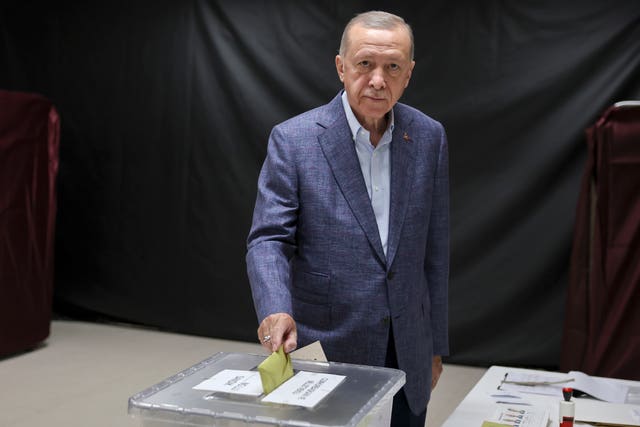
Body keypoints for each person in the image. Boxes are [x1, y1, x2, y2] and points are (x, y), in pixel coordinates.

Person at [246, 10, 449, 426]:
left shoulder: (429, 137)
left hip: (408, 348)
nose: (378, 79)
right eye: (364, 64)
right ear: (341, 67)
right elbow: (269, 239)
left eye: (392, 66)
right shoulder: (295, 140)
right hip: (327, 345)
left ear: (408, 73)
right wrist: (274, 309)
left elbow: (435, 250)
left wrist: (434, 345)